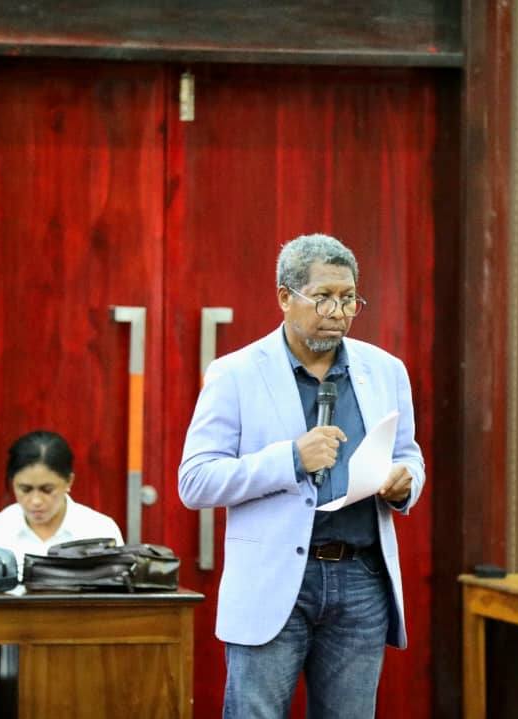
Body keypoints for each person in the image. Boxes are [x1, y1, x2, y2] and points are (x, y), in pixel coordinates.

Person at [179, 233, 426, 719]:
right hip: (272, 579)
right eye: (323, 297)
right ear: (284, 297)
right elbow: (196, 480)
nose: (338, 312)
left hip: (360, 577)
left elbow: (408, 455)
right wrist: (290, 459)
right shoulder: (236, 373)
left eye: (349, 298)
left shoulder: (386, 370)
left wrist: (406, 482)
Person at [0, 430, 124, 718]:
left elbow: (116, 611)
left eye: (46, 489)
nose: (35, 501)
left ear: (69, 482)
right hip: (2, 666)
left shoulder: (99, 531)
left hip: (80, 664)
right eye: (24, 489)